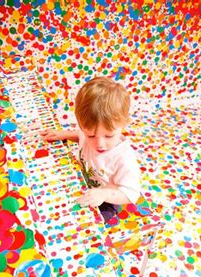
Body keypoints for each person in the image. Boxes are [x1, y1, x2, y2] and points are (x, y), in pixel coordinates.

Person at [41, 77, 140, 223]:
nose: (99, 144)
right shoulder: (87, 132)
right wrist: (65, 134)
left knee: (81, 221)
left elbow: (131, 194)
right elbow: (80, 135)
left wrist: (104, 195)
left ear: (124, 124)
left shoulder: (124, 159)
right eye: (91, 135)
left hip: (106, 200)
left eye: (108, 136)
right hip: (80, 181)